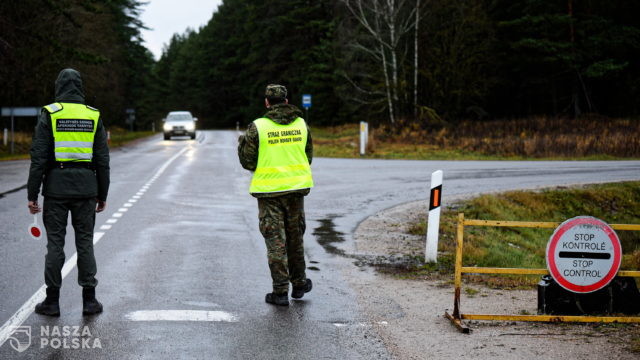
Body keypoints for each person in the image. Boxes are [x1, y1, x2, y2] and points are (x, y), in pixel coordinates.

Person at [27, 68, 110, 316]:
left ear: (59, 87)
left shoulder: (50, 114)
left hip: (56, 190)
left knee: (55, 244)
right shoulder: (93, 115)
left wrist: (33, 194)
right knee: (85, 242)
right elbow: (102, 160)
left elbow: (38, 157)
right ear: (80, 86)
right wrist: (102, 194)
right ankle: (90, 301)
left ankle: (52, 302)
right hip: (86, 189)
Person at [238, 84, 314, 306]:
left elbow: (248, 161)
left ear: (267, 103)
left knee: (275, 241)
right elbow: (308, 157)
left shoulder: (258, 127)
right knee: (295, 238)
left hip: (269, 192)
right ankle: (299, 284)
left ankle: (280, 291)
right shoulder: (301, 124)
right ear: (287, 101)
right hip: (296, 190)